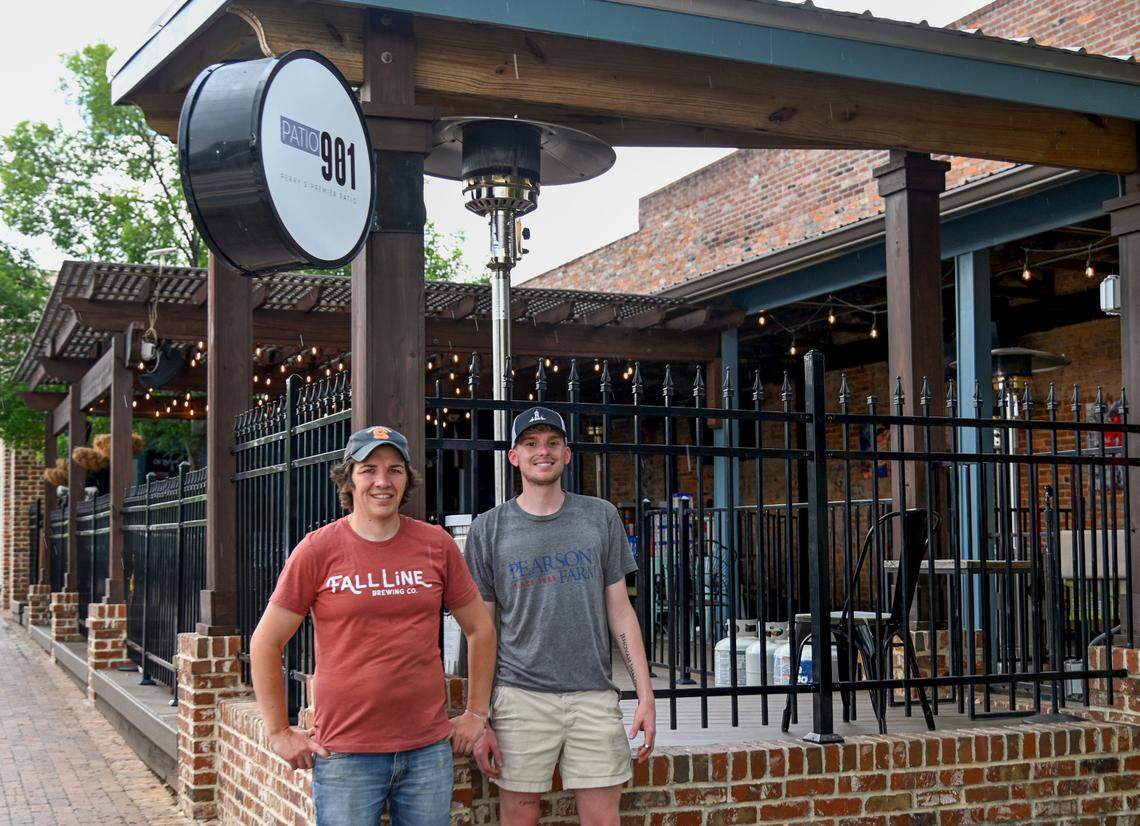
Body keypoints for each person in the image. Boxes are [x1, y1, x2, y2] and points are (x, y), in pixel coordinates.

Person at [249, 425, 496, 826]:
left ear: (407, 479)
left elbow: (480, 629)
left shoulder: (436, 544)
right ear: (349, 479)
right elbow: (266, 642)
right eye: (369, 470)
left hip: (427, 750)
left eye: (395, 470)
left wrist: (476, 713)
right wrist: (278, 731)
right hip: (346, 753)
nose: (383, 481)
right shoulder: (318, 549)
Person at [466, 407, 656, 826]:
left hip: (593, 694)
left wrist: (645, 694)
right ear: (513, 456)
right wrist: (480, 717)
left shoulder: (600, 516)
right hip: (519, 696)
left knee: (603, 819)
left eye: (553, 443)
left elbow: (620, 611)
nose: (543, 452)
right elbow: (482, 629)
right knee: (518, 815)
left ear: (567, 454)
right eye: (531, 444)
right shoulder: (488, 529)